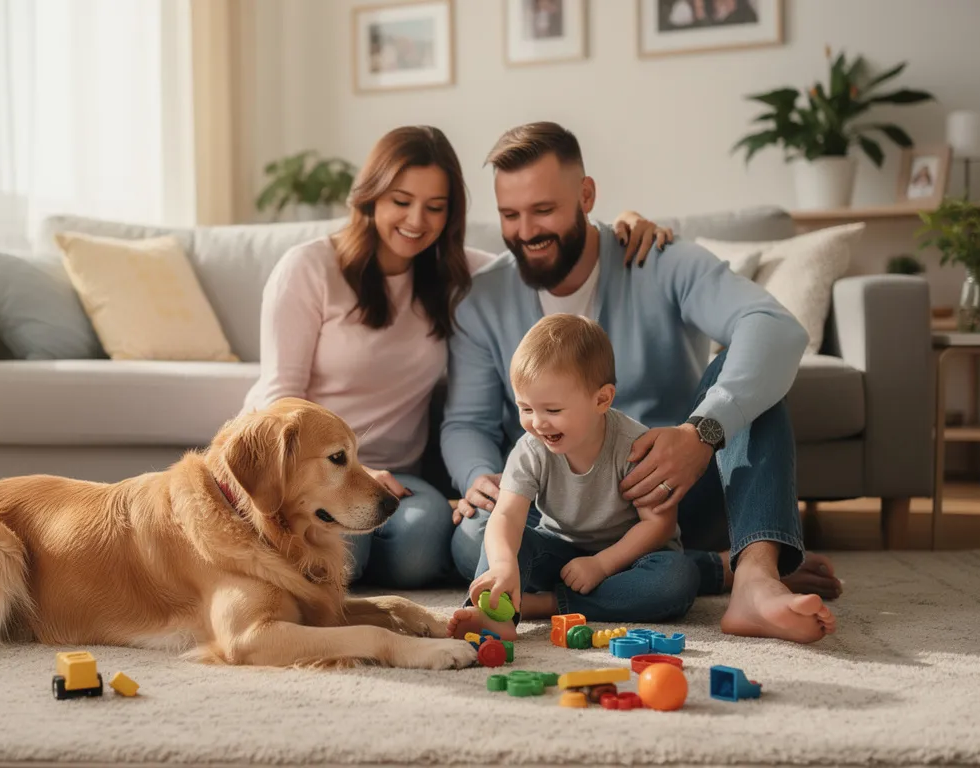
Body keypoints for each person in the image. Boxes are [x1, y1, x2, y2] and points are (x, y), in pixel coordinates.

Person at [442, 121, 839, 643]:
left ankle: (756, 581)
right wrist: (479, 478)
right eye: (509, 215)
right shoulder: (482, 296)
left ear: (586, 196)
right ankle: (712, 570)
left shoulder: (655, 256)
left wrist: (702, 433)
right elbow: (465, 422)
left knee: (748, 374)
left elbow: (776, 329)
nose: (526, 231)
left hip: (671, 502)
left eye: (544, 209)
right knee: (473, 538)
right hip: (553, 514)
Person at [243, 125, 671, 590]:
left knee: (421, 546)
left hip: (403, 475)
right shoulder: (308, 268)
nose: (417, 221)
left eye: (435, 207)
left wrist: (619, 228)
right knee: (345, 546)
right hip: (316, 469)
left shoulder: (457, 273)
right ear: (370, 197)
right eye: (401, 201)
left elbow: (541, 258)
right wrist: (354, 471)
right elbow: (281, 398)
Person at [446, 314, 699, 642]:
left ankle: (548, 604)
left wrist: (601, 565)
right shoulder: (530, 449)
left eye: (552, 410)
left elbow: (659, 525)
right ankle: (494, 612)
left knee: (675, 579)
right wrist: (504, 565)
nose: (538, 423)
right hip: (560, 551)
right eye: (526, 409)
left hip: (629, 557)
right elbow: (506, 515)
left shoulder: (634, 445)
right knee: (503, 543)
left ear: (601, 399)